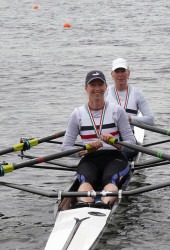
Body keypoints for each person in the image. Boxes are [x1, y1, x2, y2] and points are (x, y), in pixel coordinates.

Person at [60, 70, 136, 210]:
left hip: (115, 158)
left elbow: (132, 145)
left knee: (111, 178)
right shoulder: (77, 114)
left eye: (100, 84)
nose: (96, 88)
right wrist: (84, 150)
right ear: (86, 88)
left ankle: (104, 205)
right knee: (85, 178)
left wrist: (116, 143)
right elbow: (65, 148)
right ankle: (85, 204)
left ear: (106, 87)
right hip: (90, 158)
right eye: (92, 85)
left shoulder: (117, 111)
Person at [105, 57, 155, 126]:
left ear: (128, 73)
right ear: (112, 74)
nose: (120, 75)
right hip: (110, 135)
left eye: (123, 71)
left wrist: (130, 118)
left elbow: (151, 120)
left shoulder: (137, 93)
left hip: (129, 134)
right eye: (117, 71)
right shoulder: (105, 92)